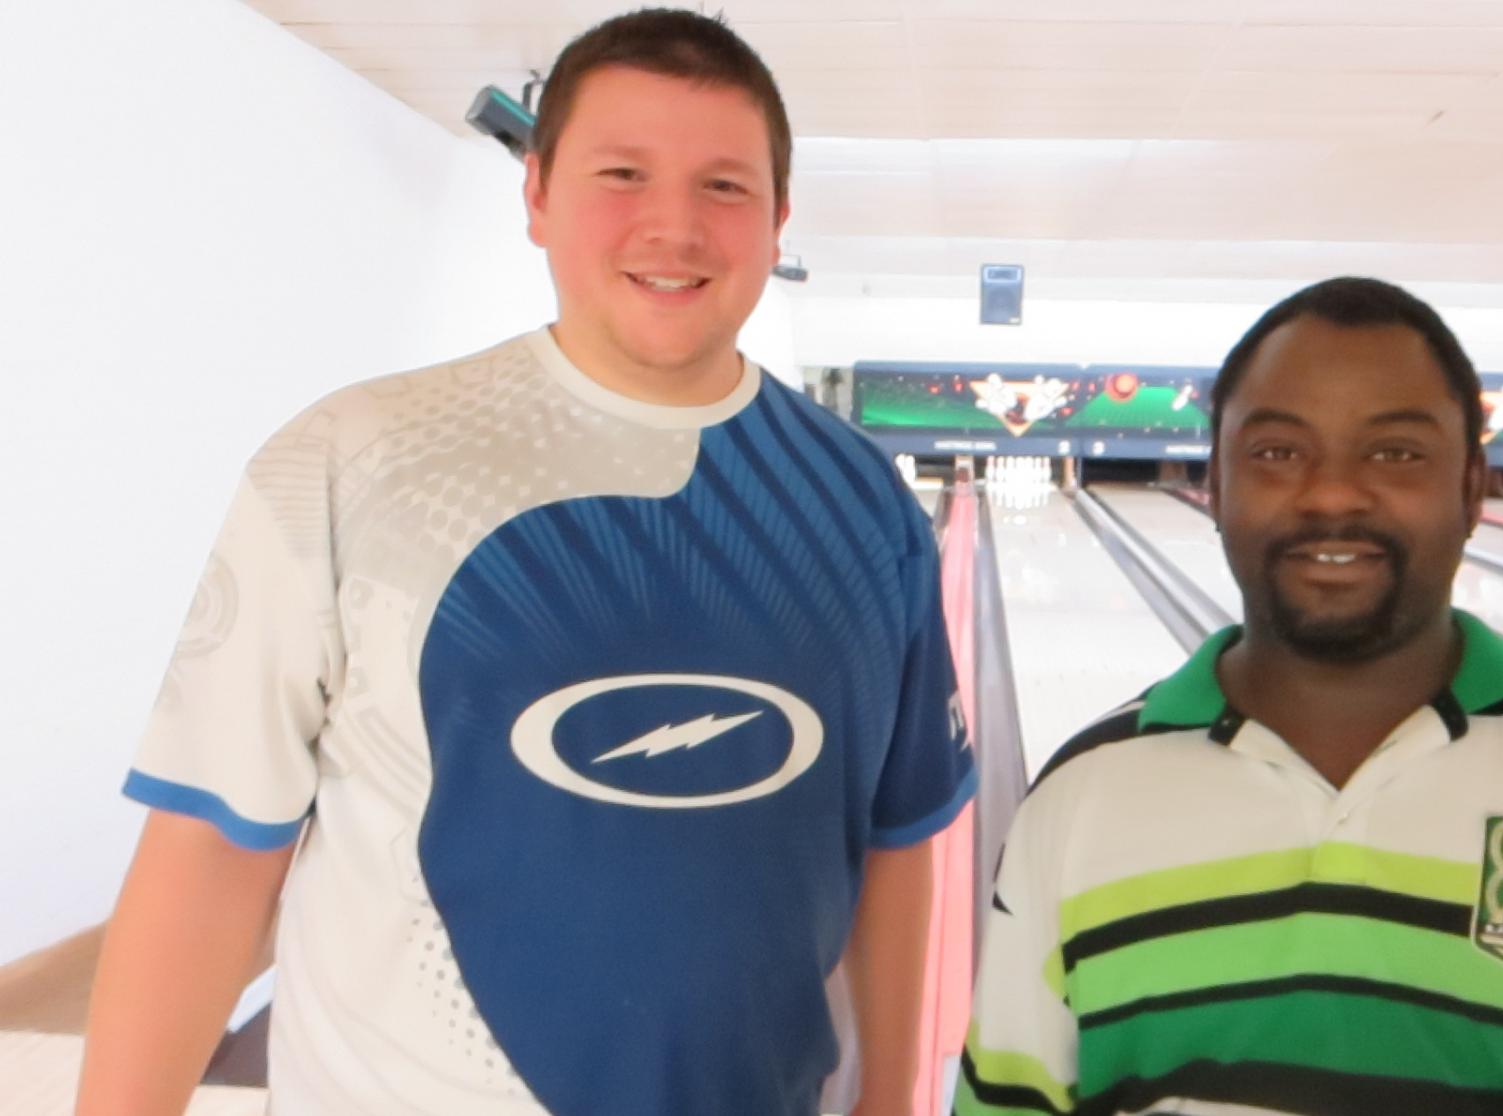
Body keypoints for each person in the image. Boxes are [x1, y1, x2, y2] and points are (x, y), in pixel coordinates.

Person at [78, 9, 975, 1115]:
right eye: (623, 173)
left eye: (725, 188)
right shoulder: (351, 461)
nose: (674, 227)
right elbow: (213, 850)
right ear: (538, 195)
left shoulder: (860, 504)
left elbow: (896, 840)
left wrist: (896, 1100)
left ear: (779, 217)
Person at [955, 277, 1503, 1115]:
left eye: (1395, 451)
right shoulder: (1079, 802)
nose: (1333, 492)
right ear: (1216, 483)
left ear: (1472, 485)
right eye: (1277, 451)